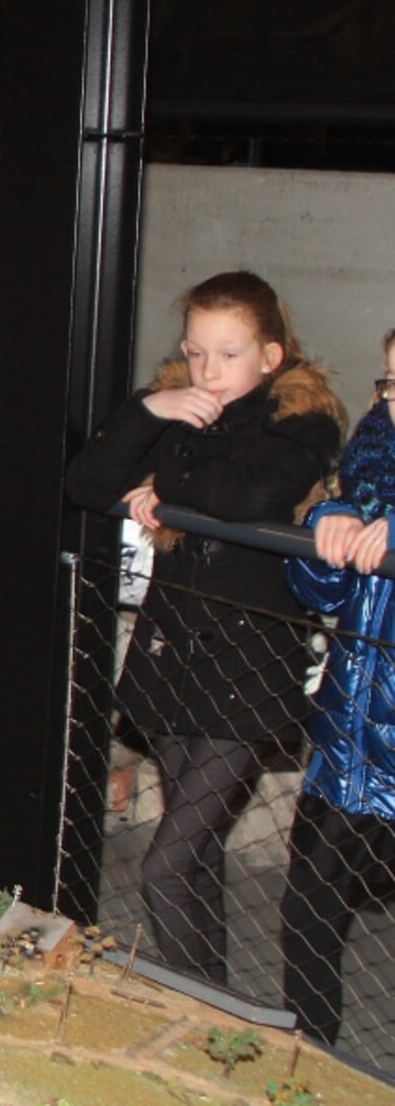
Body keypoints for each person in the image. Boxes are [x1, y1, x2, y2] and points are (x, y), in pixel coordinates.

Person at [66, 270, 344, 984]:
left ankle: (200, 1011)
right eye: (194, 353)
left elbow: (251, 492)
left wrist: (166, 491)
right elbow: (87, 482)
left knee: (166, 861)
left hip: (247, 663)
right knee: (194, 858)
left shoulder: (302, 418)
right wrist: (149, 408)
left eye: (227, 353)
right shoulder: (177, 408)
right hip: (173, 651)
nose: (207, 371)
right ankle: (211, 1000)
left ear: (270, 357)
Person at [278, 328, 395, 1044]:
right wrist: (330, 521)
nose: (390, 401)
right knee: (306, 912)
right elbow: (313, 588)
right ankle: (308, 1066)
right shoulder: (371, 461)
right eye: (388, 381)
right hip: (351, 745)